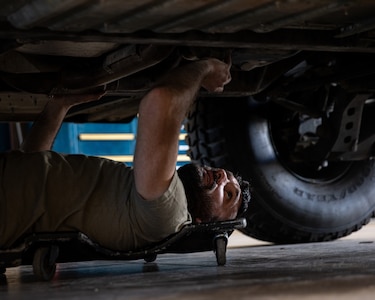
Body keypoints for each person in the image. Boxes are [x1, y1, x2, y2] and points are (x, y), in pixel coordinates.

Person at [0, 58, 250, 252]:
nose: (223, 177)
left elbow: (160, 101)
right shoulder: (144, 195)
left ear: (200, 223)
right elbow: (34, 166)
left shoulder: (169, 213)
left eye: (228, 194)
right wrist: (60, 106)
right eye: (229, 177)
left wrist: (205, 68)